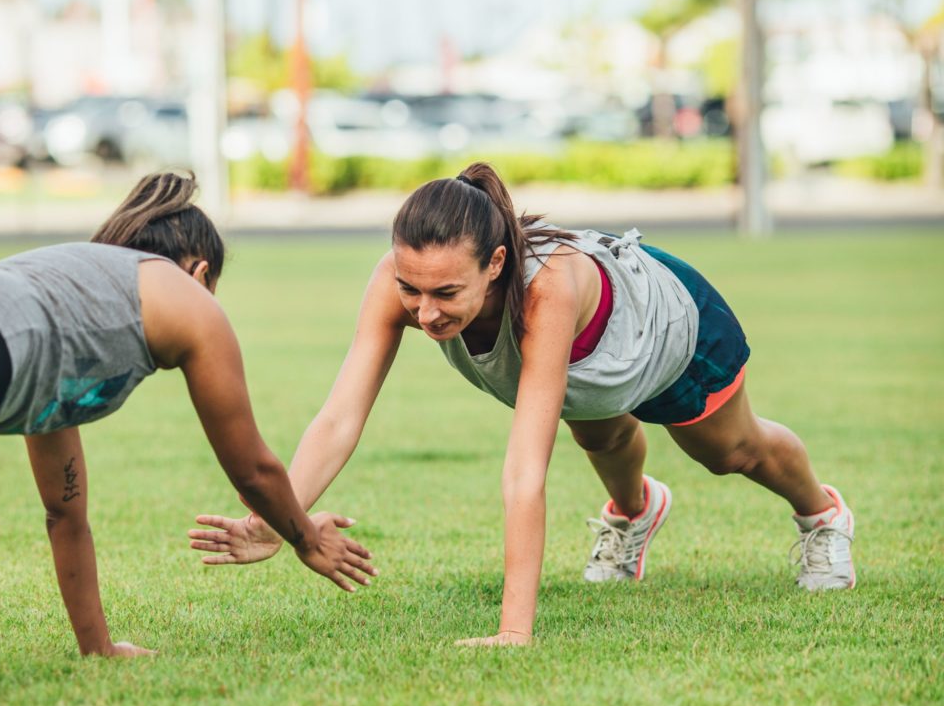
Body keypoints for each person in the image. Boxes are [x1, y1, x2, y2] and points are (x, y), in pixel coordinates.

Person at [188, 161, 855, 647]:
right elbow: (339, 417)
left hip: (666, 329)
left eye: (446, 292)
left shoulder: (547, 291)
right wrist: (279, 520)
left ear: (497, 263)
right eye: (409, 286)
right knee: (601, 436)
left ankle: (822, 515)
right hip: (589, 371)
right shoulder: (403, 286)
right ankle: (634, 513)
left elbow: (523, 471)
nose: (423, 310)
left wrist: (514, 629)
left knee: (730, 451)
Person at [0, 171, 376, 657]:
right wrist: (307, 539)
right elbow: (252, 470)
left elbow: (65, 515)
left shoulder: (71, 314)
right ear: (201, 276)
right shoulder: (188, 302)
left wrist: (100, 650)